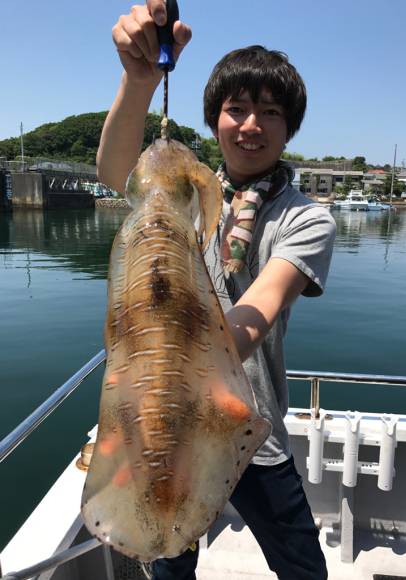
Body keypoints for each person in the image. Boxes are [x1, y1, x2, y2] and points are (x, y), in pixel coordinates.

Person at [98, 2, 336, 578]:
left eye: (270, 112)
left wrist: (176, 359)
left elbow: (260, 308)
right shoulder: (185, 193)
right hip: (160, 423)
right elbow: (115, 172)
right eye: (237, 109)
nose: (251, 125)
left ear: (289, 127)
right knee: (169, 561)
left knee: (304, 568)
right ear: (214, 119)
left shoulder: (307, 219)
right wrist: (139, 83)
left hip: (250, 428)